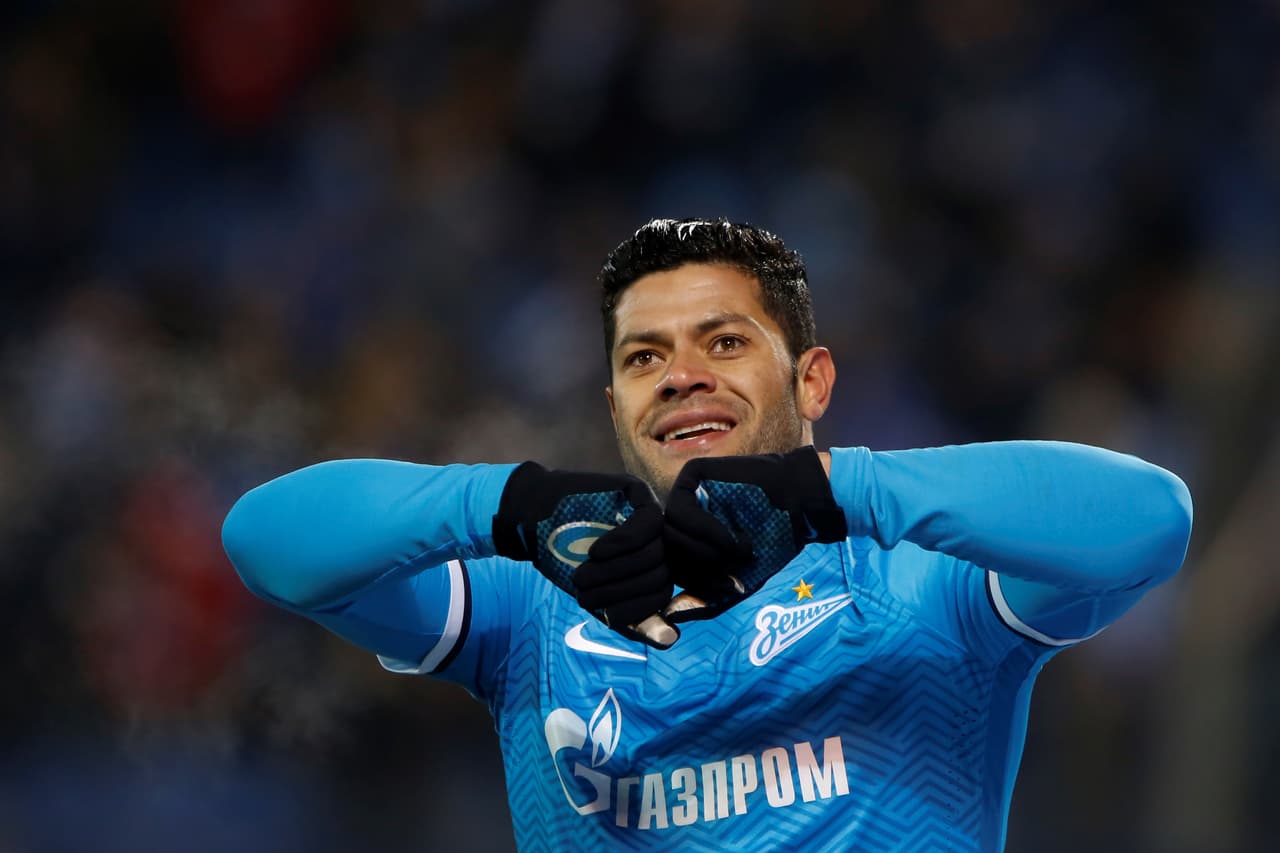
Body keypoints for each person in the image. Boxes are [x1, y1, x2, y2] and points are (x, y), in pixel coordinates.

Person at [222, 218, 1193, 851]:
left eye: (724, 342)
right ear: (615, 406)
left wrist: (830, 487)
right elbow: (266, 543)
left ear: (810, 381)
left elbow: (1149, 523)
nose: (681, 375)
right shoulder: (533, 601)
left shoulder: (923, 579)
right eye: (646, 357)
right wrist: (501, 504)